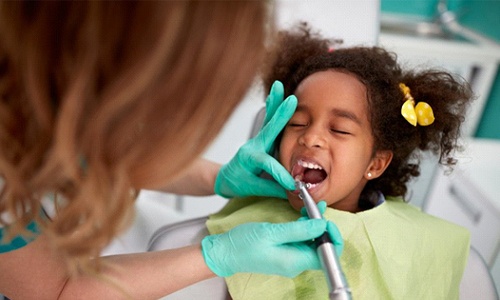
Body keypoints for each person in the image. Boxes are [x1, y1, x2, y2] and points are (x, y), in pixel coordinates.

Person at [0, 3, 331, 299]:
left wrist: (220, 177)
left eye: (340, 129)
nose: (312, 140)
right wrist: (217, 255)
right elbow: (57, 291)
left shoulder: (60, 101)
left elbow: (112, 154)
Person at [206, 23, 474, 299]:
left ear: (376, 164)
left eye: (339, 130)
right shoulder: (248, 229)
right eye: (297, 122)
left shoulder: (420, 244)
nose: (311, 138)